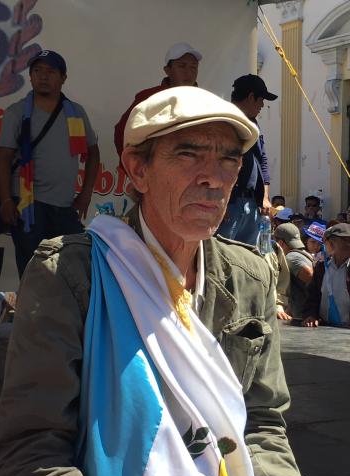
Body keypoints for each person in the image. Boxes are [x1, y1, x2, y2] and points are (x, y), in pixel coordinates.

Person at [0, 86, 330, 476]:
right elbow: (32, 449)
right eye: (188, 154)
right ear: (137, 169)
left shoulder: (248, 277)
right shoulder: (70, 275)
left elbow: (262, 422)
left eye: (228, 159)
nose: (213, 177)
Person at [0, 50, 100, 276]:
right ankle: (32, 313)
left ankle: (61, 313)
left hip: (64, 205)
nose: (43, 76)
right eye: (37, 71)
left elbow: (93, 153)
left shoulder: (76, 112)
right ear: (31, 77)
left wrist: (86, 193)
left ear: (63, 78)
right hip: (28, 205)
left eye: (50, 71)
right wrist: (5, 200)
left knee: (73, 268)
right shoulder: (16, 113)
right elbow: (3, 158)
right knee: (33, 272)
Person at [113, 42, 201, 161]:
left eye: (193, 67)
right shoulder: (149, 98)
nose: (189, 72)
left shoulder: (205, 102)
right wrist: (132, 168)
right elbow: (122, 132)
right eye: (182, 66)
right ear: (167, 70)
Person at [216, 74, 277, 244]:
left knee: (249, 258)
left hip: (252, 203)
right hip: (231, 203)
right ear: (251, 97)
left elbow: (262, 160)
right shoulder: (224, 120)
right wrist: (221, 199)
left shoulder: (254, 124)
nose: (263, 105)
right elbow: (216, 163)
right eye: (261, 100)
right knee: (223, 257)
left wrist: (265, 197)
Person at [302, 223, 350, 332]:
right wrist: (310, 315)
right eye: (345, 240)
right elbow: (312, 296)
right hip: (323, 329)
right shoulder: (322, 266)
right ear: (332, 243)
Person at [275, 222, 315, 321]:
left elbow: (309, 274)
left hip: (304, 318)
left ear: (280, 243)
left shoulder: (290, 257)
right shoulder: (305, 253)